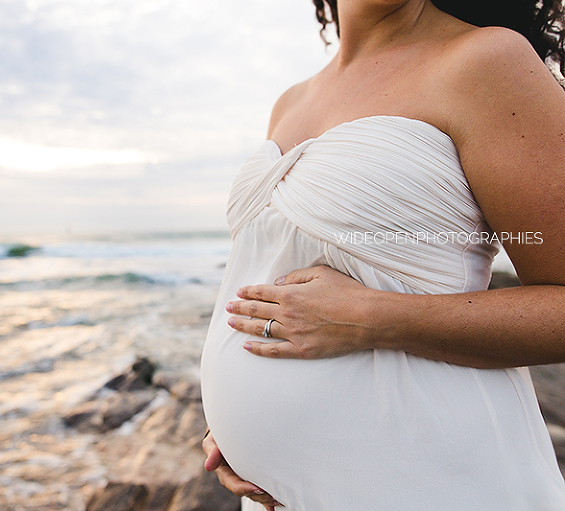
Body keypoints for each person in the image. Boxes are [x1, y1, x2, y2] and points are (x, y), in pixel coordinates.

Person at [199, 0, 565, 509]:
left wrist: (373, 317)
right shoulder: (289, 102)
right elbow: (263, 270)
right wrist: (232, 428)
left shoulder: (487, 61)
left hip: (430, 477)